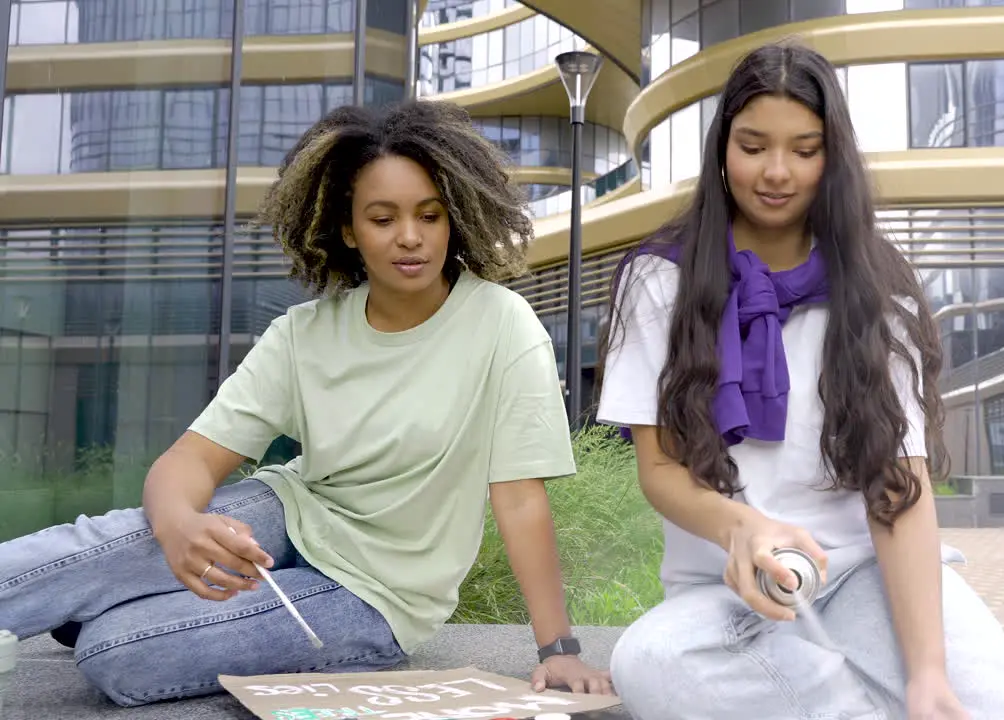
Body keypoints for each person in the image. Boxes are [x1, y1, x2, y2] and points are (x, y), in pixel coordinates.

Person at [0, 99, 612, 707]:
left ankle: (106, 606)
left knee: (116, 653)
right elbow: (189, 461)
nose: (410, 237)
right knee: (97, 547)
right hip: (289, 515)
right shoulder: (303, 334)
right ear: (347, 228)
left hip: (378, 593)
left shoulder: (502, 325)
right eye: (383, 218)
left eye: (430, 215)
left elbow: (520, 496)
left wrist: (557, 648)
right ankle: (105, 591)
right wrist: (178, 525)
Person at [594, 42, 1004, 720]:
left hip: (862, 577)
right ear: (721, 149)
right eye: (753, 145)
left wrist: (929, 673)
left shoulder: (877, 291)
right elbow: (660, 468)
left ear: (833, 156)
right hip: (724, 591)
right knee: (650, 663)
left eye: (804, 149)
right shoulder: (661, 279)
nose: (776, 171)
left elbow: (898, 487)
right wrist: (743, 530)